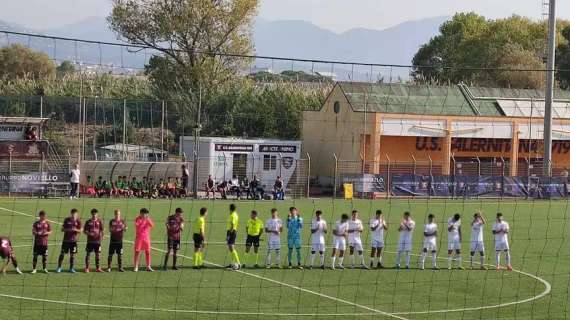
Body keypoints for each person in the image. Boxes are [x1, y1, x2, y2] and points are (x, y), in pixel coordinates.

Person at [56, 208, 82, 273]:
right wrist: (68, 229)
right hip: (66, 241)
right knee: (62, 254)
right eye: (73, 214)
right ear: (71, 214)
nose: (74, 215)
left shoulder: (78, 221)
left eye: (75, 214)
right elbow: (62, 229)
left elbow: (81, 230)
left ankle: (71, 268)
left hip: (74, 241)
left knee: (72, 255)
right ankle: (59, 267)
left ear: (77, 214)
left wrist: (75, 230)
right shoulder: (66, 220)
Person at [84, 208, 104, 273]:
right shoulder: (88, 222)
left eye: (95, 214)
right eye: (93, 214)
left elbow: (102, 230)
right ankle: (87, 268)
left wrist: (102, 236)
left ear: (97, 214)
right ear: (91, 214)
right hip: (90, 241)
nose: (94, 215)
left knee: (98, 254)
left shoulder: (100, 221)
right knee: (88, 254)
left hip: (97, 241)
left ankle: (98, 268)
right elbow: (85, 231)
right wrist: (89, 233)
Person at [226, 203, 241, 269]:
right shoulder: (233, 214)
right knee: (230, 248)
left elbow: (232, 225)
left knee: (231, 247)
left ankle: (238, 263)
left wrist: (229, 235)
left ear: (230, 208)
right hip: (231, 231)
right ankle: (232, 263)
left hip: (232, 232)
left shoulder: (233, 215)